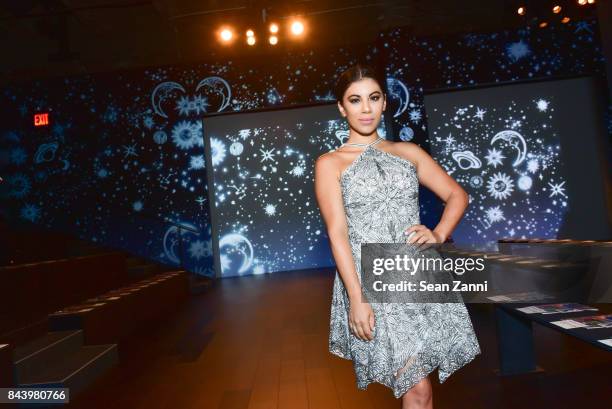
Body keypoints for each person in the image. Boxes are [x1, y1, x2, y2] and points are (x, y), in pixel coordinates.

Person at [314, 64, 481, 408]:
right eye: (355, 100)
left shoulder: (408, 152)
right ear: (342, 108)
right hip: (371, 279)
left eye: (373, 98)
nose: (366, 108)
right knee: (416, 387)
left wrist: (438, 233)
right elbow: (338, 232)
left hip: (418, 274)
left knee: (422, 390)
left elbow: (457, 195)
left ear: (384, 103)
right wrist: (356, 296)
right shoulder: (330, 163)